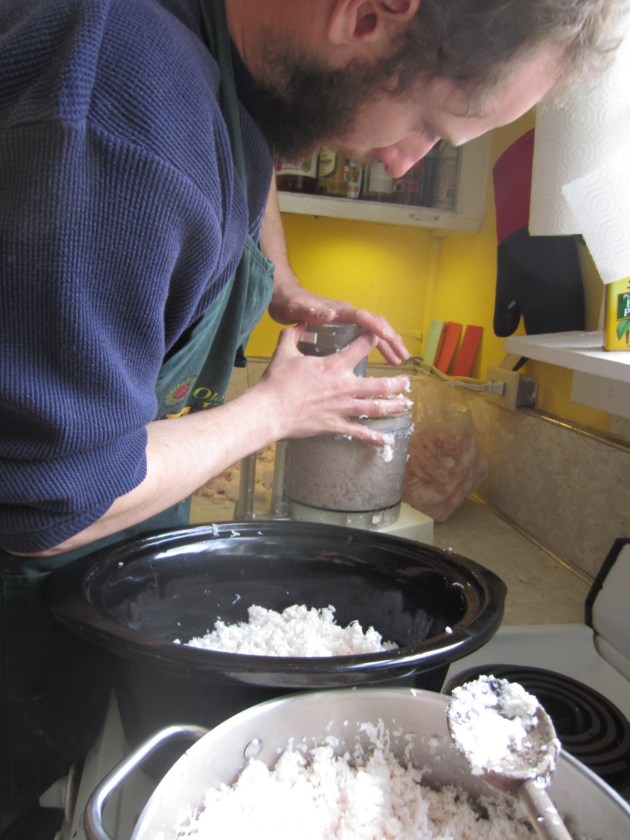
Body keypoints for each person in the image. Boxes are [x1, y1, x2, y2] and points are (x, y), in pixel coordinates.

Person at [0, 0, 622, 830]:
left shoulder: (225, 61)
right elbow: (51, 504)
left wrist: (277, 279)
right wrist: (276, 411)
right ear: (366, 15)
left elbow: (248, 151)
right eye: (428, 122)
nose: (407, 164)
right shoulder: (123, 117)